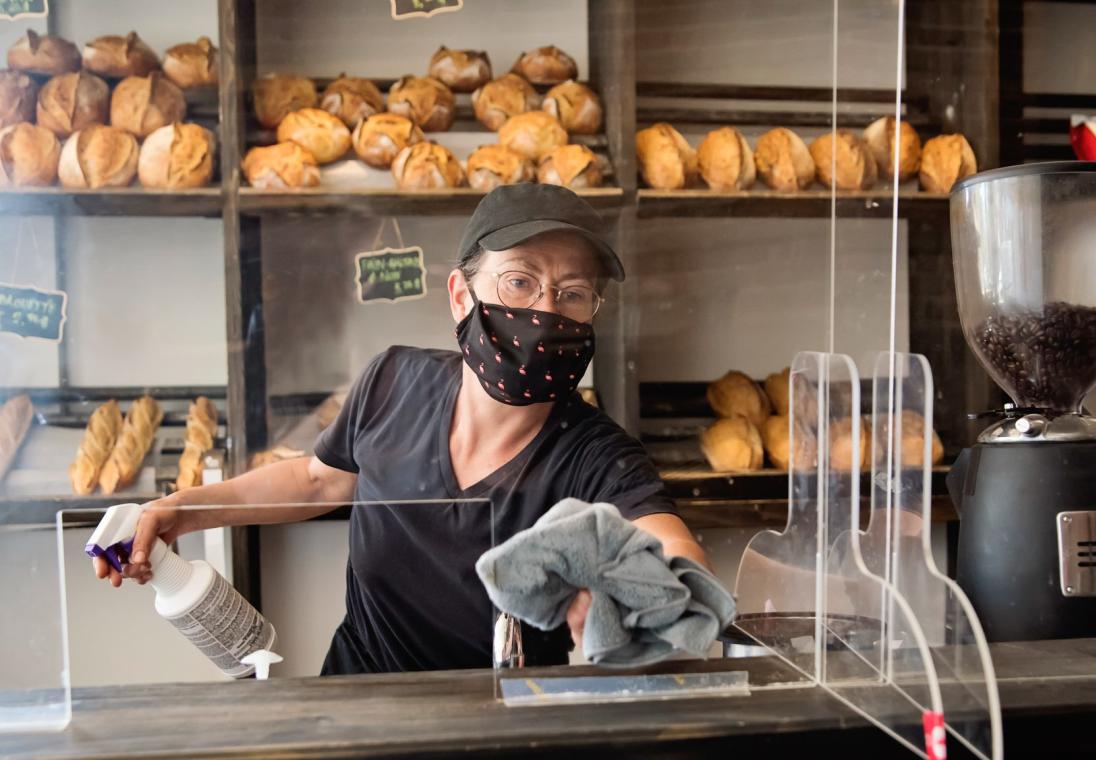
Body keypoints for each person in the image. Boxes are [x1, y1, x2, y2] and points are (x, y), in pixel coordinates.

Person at [96, 183, 709, 674]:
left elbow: (672, 548)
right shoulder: (394, 380)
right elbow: (316, 481)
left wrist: (637, 592)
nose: (544, 311)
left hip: (503, 737)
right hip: (357, 706)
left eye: (572, 294)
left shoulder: (596, 455)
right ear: (460, 296)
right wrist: (180, 510)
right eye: (519, 281)